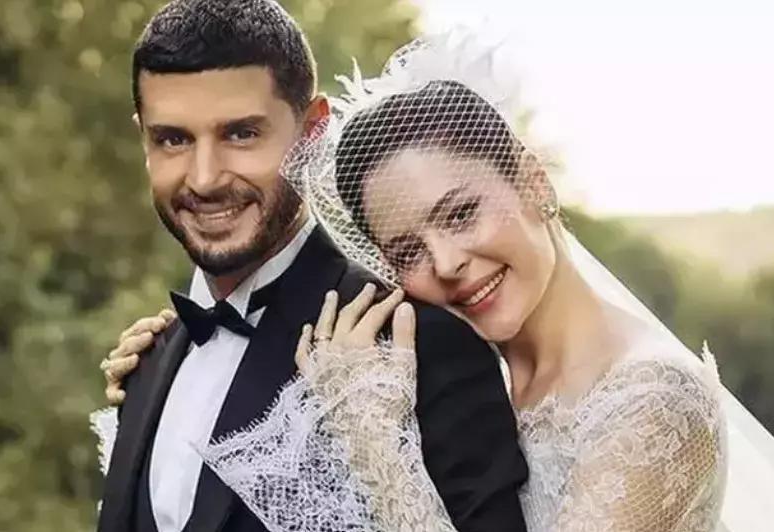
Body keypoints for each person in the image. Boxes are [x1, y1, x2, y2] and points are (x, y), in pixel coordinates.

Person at [105, 30, 774, 532]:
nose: (445, 262)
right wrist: (173, 367)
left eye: (461, 212)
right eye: (407, 249)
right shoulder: (469, 373)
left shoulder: (653, 403)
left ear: (533, 182)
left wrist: (378, 445)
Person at [93, 3, 528, 532]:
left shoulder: (421, 348)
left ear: (314, 131)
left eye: (241, 134)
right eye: (173, 139)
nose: (204, 179)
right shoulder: (146, 360)